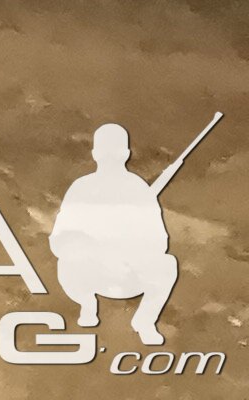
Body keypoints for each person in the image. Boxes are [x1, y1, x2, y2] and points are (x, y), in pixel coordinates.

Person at [49, 123, 183, 346]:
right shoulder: (80, 188)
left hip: (130, 274)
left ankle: (145, 321)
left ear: (126, 154)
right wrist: (89, 248)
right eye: (106, 151)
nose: (110, 157)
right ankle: (87, 304)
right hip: (89, 274)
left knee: (167, 264)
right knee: (66, 261)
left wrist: (128, 251)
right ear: (95, 154)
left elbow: (159, 242)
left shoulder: (139, 189)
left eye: (115, 151)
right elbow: (59, 240)